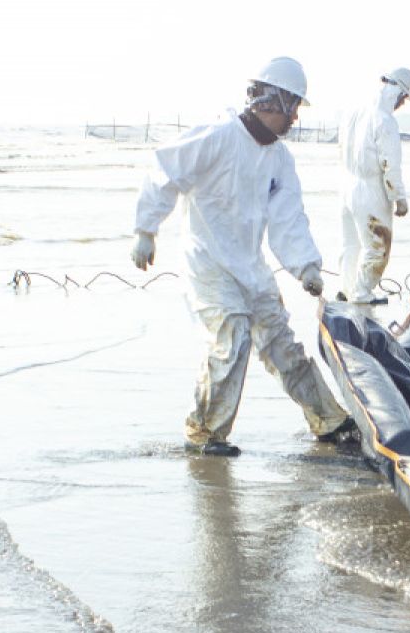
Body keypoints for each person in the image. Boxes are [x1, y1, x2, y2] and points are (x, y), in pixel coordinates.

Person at [131, 56, 355, 457]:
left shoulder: (279, 160)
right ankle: (205, 432)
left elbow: (288, 219)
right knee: (232, 337)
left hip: (251, 269)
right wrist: (146, 230)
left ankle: (329, 420)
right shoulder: (218, 136)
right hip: (209, 266)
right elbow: (166, 170)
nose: (296, 119)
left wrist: (306, 267)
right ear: (273, 102)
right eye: (295, 108)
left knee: (282, 345)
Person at [337, 67, 410, 305]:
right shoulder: (384, 119)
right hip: (370, 189)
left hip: (347, 186)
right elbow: (390, 164)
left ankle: (347, 289)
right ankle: (361, 293)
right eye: (403, 99)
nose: (402, 104)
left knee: (350, 245)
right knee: (377, 247)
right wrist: (399, 198)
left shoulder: (354, 112)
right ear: (399, 93)